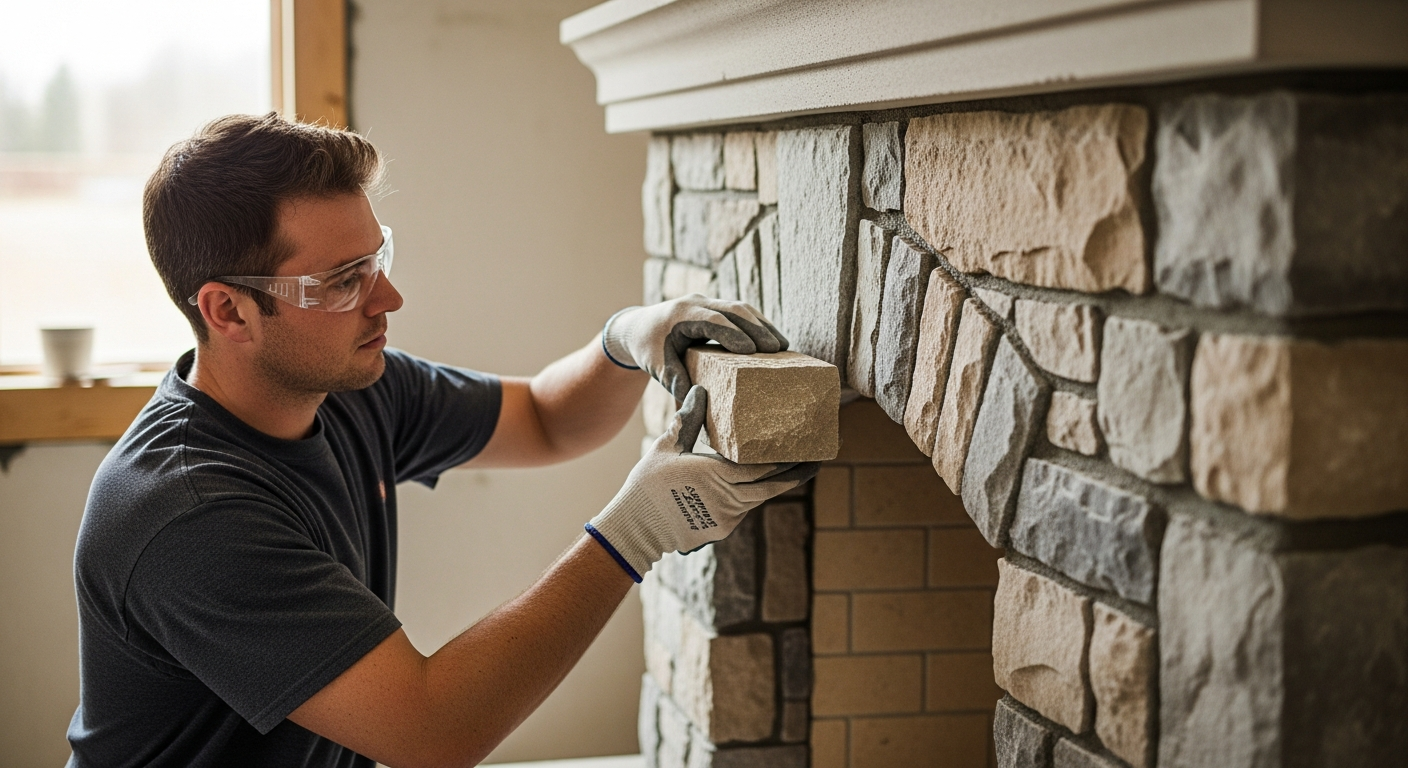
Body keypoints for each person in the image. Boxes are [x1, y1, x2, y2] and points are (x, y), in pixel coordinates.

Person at [68, 113, 816, 768]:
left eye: (377, 258)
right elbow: (433, 732)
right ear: (227, 311)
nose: (388, 299)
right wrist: (642, 529)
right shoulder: (189, 513)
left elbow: (549, 420)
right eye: (341, 281)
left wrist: (626, 340)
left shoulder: (349, 388)